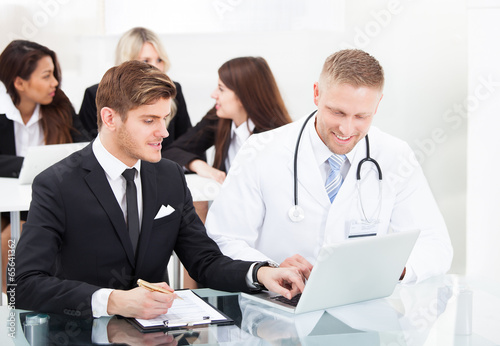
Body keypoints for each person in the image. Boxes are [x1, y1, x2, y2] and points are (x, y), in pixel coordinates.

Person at [12, 60, 304, 320]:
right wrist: (112, 301)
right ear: (110, 118)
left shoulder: (170, 176)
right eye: (149, 120)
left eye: (164, 119)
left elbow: (204, 261)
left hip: (158, 334)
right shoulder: (57, 184)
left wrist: (260, 272)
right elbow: (24, 283)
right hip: (82, 332)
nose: (163, 132)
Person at [205, 49, 453, 284]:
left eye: (361, 117)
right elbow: (223, 239)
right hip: (273, 311)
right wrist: (269, 268)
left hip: (360, 311)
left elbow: (435, 244)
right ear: (316, 93)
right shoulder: (260, 150)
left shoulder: (395, 155)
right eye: (337, 112)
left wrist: (392, 267)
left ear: (377, 105)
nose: (346, 129)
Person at [0, 39, 89, 292]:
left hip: (50, 201)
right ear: (19, 83)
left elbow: (84, 148)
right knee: (11, 236)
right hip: (7, 204)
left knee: (22, 233)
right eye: (47, 76)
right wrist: (32, 163)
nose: (55, 83)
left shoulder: (58, 104)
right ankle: (11, 308)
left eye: (54, 74)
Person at [164, 56, 291, 184]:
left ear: (244, 96)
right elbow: (170, 152)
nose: (213, 94)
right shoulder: (218, 118)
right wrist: (197, 165)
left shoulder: (276, 138)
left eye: (221, 89)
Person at [78, 27, 192, 146]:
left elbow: (187, 141)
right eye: (145, 61)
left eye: (159, 60)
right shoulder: (95, 94)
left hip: (165, 162)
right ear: (126, 62)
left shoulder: (172, 91)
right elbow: (89, 147)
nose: (155, 68)